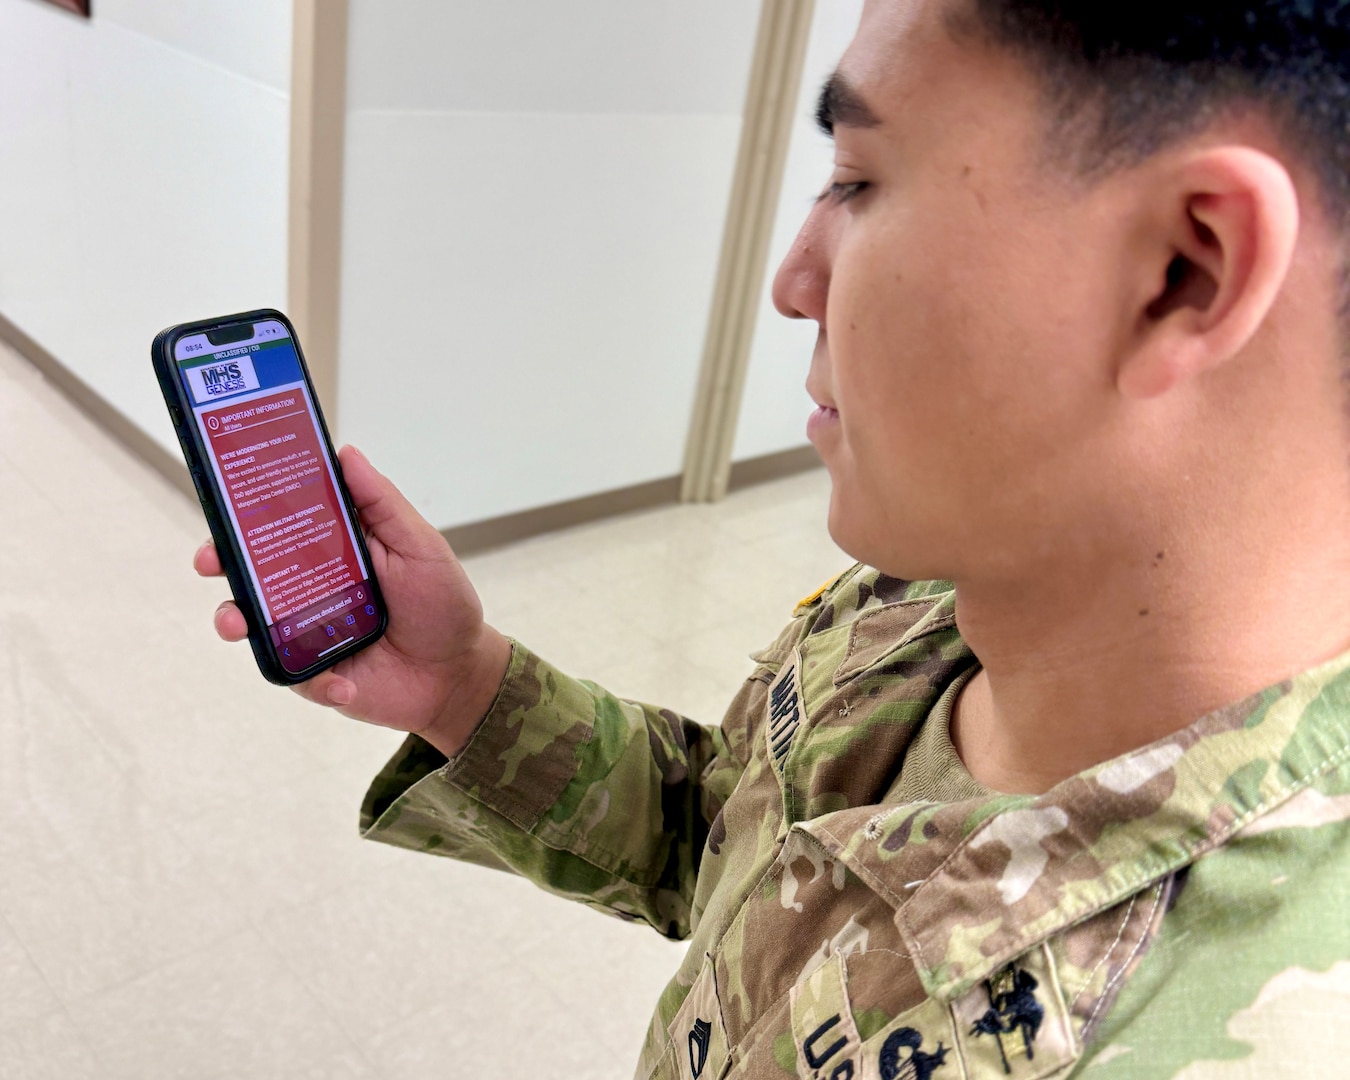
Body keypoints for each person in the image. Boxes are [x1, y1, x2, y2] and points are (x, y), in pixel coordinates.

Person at [196, 0, 1350, 1075]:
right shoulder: (918, 602)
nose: (795, 281)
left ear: (1183, 272)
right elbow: (737, 855)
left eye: (857, 179)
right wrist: (464, 687)